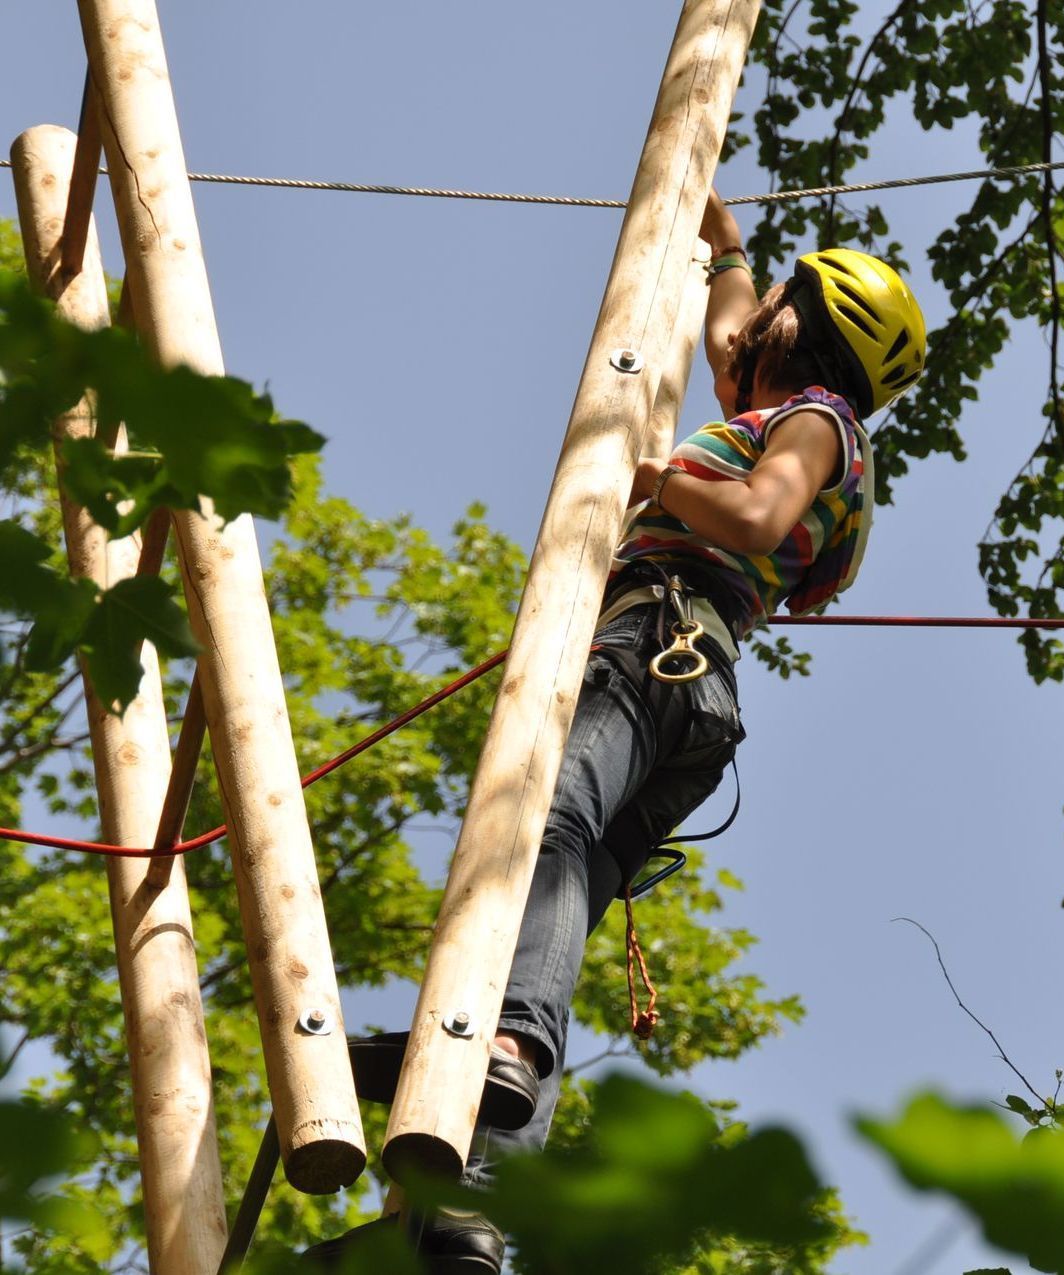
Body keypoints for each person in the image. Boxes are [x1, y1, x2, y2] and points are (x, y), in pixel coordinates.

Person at [303, 189, 926, 1273]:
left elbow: (754, 515)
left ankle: (508, 1042)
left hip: (659, 651)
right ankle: (467, 1212)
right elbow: (726, 332)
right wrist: (724, 249)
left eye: (774, 299)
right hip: (687, 694)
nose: (747, 316)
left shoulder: (816, 423)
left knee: (536, 823)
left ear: (807, 331)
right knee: (555, 893)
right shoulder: (777, 398)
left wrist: (650, 476)